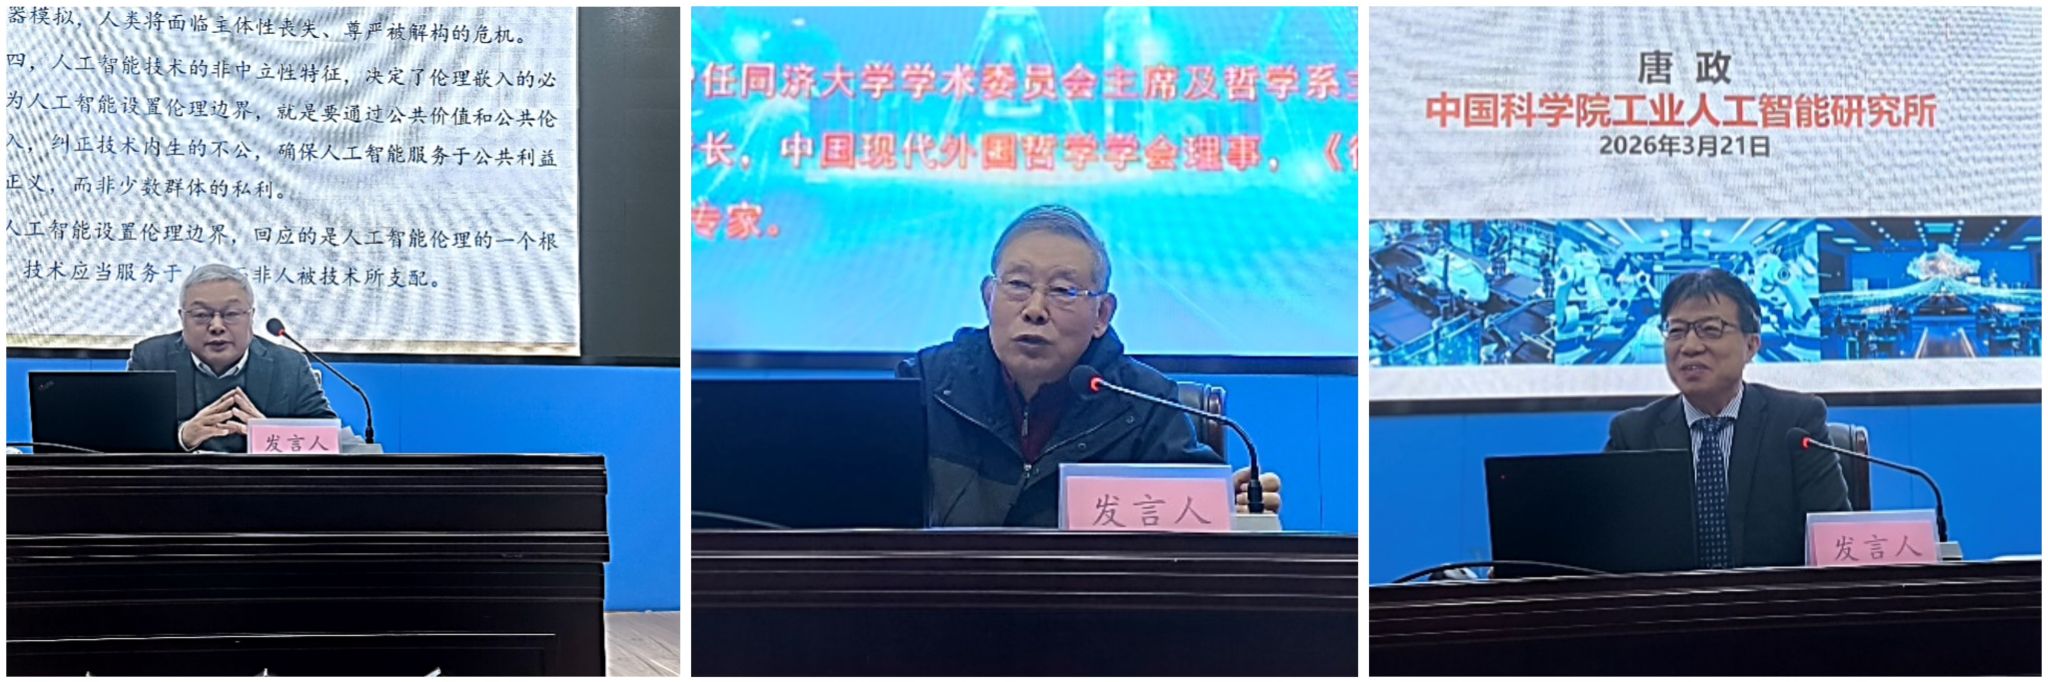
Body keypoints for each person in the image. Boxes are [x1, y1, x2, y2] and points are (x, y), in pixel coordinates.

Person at [898, 205, 1279, 527]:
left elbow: (1191, 540)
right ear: (988, 297)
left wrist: (1235, 514)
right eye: (1018, 284)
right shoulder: (927, 385)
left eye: (1063, 291)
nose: (1034, 310)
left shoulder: (1146, 405)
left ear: (1102, 314)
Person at [1605, 267, 1849, 568]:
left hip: (1774, 597)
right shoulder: (1633, 434)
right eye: (1676, 331)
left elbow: (1836, 546)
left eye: (1710, 329)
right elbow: (1607, 552)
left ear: (1751, 345)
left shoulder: (1796, 422)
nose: (1690, 347)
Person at [128, 264, 339, 452]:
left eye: (231, 314)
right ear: (182, 317)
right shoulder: (151, 359)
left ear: (251, 316)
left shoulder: (289, 365)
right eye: (201, 315)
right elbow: (126, 437)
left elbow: (329, 440)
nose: (217, 326)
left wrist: (267, 435)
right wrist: (182, 437)